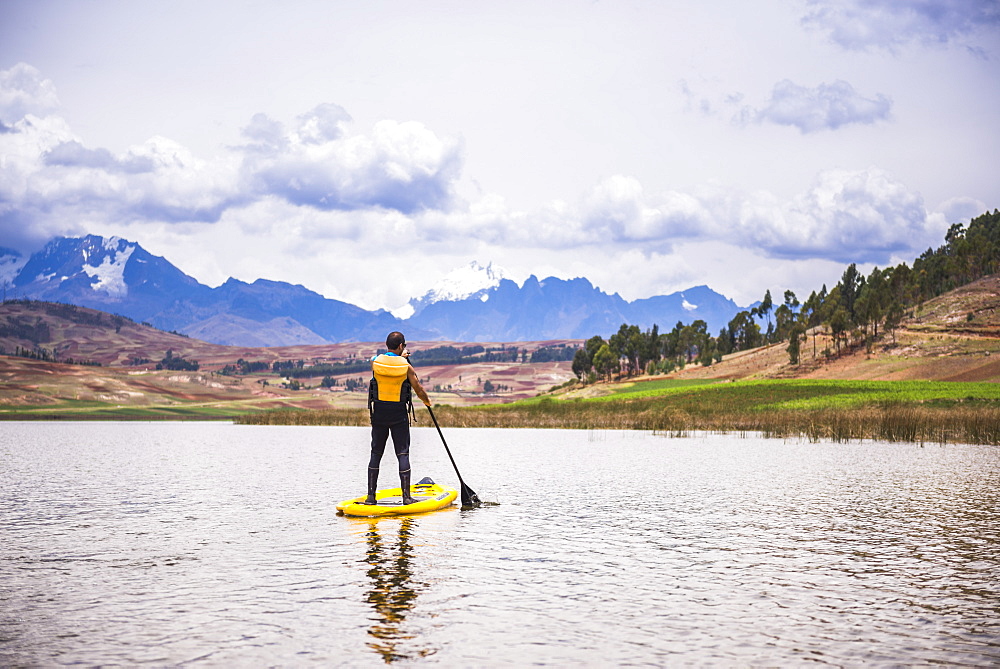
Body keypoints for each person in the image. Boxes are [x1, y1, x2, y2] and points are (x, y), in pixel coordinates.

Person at [365, 331, 431, 505]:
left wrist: (398, 355)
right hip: (398, 415)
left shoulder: (375, 362)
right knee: (402, 453)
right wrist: (428, 402)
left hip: (378, 414)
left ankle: (371, 497)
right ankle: (406, 497)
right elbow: (418, 388)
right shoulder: (406, 367)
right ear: (401, 346)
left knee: (375, 453)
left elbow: (380, 358)